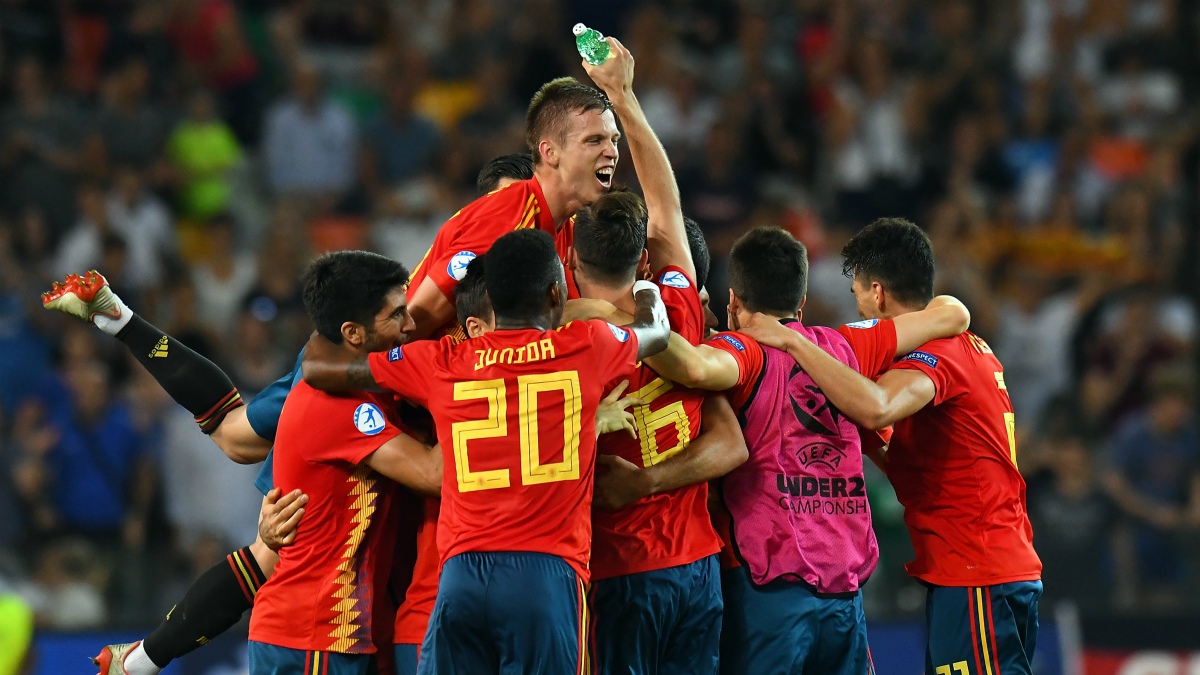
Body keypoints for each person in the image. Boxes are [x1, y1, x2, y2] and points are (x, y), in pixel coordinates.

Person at [45, 153, 538, 675]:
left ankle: (142, 660)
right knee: (250, 474)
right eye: (501, 202)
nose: (508, 217)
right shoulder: (420, 302)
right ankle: (144, 660)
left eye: (522, 205)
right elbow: (427, 464)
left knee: (273, 538)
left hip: (379, 579)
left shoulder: (523, 289)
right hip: (333, 615)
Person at [301, 229, 671, 674]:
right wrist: (649, 288)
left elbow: (321, 370)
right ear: (556, 292)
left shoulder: (441, 362)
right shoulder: (587, 346)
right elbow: (657, 331)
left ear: (490, 299)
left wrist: (328, 324)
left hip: (461, 578)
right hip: (546, 576)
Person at [638, 226, 972, 674]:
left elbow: (693, 367)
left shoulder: (743, 351)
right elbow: (951, 316)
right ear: (801, 302)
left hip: (767, 595)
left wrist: (628, 313)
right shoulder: (847, 345)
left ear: (734, 301)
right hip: (845, 596)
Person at [738, 218, 1043, 675]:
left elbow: (878, 407)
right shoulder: (968, 344)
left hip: (980, 570)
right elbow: (908, 456)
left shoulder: (936, 355)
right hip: (984, 568)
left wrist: (792, 342)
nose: (857, 305)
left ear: (877, 293)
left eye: (858, 295)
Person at [247, 251, 442, 674]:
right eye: (397, 315)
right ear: (353, 333)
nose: (411, 326)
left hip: (333, 632)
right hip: (312, 632)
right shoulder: (337, 406)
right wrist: (477, 393)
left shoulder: (356, 386)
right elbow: (435, 474)